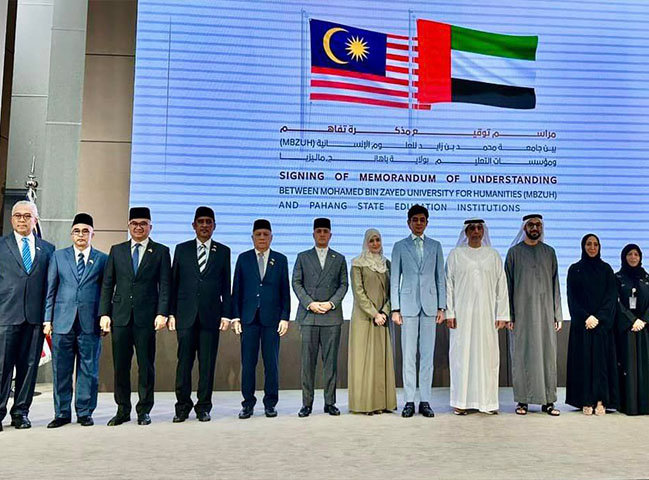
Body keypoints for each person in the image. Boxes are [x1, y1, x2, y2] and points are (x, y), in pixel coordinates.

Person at [99, 207, 171, 426]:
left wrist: (162, 312)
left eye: (143, 224)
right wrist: (104, 313)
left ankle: (144, 410)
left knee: (146, 365)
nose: (138, 227)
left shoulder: (160, 251)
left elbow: (165, 285)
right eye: (134, 224)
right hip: (120, 317)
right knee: (121, 366)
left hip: (146, 317)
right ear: (128, 226)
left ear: (150, 226)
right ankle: (122, 410)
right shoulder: (117, 250)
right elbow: (108, 284)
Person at [168, 206, 231, 423]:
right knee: (184, 363)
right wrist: (171, 313)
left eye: (208, 222)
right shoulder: (182, 249)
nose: (204, 225)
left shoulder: (223, 251)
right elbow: (174, 283)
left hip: (211, 316)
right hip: (185, 316)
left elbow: (226, 286)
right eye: (201, 222)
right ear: (193, 225)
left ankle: (203, 407)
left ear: (214, 226)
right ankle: (182, 407)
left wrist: (226, 314)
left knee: (207, 364)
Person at [44, 213, 107, 428]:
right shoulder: (58, 257)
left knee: (89, 369)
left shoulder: (102, 259)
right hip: (62, 322)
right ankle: (62, 413)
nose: (81, 235)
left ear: (92, 234)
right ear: (71, 234)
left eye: (85, 231)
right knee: (61, 370)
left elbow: (106, 292)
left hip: (90, 322)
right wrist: (47, 319)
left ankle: (84, 412)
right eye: (77, 231)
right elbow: (51, 290)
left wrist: (104, 317)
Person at [445, 219, 510, 415]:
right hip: (462, 317)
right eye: (471, 228)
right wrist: (450, 312)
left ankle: (487, 403)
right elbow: (448, 285)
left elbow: (502, 286)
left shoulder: (493, 255)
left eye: (479, 228)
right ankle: (461, 402)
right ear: (465, 232)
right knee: (461, 358)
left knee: (488, 358)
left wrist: (502, 314)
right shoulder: (455, 255)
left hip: (487, 316)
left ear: (483, 231)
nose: (475, 231)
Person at [0, 201, 54, 431]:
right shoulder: (1, 245)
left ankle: (21, 413)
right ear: (12, 219)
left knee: (29, 368)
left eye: (27, 216)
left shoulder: (48, 249)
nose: (22, 220)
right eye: (18, 216)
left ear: (35, 220)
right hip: (5, 316)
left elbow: (50, 286)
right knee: (2, 368)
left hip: (35, 318)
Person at [231, 219, 290, 419]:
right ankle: (247, 404)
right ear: (252, 237)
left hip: (272, 319)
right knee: (248, 364)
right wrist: (235, 317)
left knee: (271, 364)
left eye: (266, 234)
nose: (262, 238)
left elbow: (285, 291)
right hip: (248, 319)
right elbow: (237, 289)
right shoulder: (243, 258)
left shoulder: (280, 259)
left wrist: (285, 317)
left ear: (272, 237)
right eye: (258, 234)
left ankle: (270, 403)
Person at [390, 204, 445, 418]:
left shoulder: (436, 246)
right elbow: (395, 279)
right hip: (408, 306)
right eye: (415, 220)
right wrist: (395, 308)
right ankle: (409, 401)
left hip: (430, 306)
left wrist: (442, 306)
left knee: (427, 356)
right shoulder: (399, 246)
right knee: (409, 355)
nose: (419, 223)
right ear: (408, 223)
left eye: (422, 220)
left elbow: (440, 278)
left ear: (427, 222)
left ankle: (425, 400)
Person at [505, 214, 562, 416]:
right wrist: (509, 315)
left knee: (547, 356)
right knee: (523, 355)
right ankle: (523, 401)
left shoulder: (549, 252)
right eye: (531, 225)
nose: (535, 228)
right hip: (522, 314)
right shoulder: (514, 253)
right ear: (524, 228)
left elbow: (555, 285)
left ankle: (549, 401)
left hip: (546, 314)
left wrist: (557, 314)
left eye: (538, 225)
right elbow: (507, 287)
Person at [293, 218, 348, 417]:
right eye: (319, 231)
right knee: (308, 363)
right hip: (309, 316)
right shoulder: (302, 257)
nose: (322, 234)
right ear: (313, 234)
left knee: (330, 363)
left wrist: (331, 303)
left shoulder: (339, 258)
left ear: (330, 235)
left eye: (325, 231)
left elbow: (344, 285)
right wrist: (310, 303)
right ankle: (306, 404)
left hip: (331, 316)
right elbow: (296, 282)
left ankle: (330, 403)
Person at [565, 233, 618, 415]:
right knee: (583, 363)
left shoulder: (606, 269)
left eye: (595, 244)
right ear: (583, 246)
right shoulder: (575, 269)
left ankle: (601, 400)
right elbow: (572, 298)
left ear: (599, 247)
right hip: (583, 326)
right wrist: (586, 317)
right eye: (589, 244)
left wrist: (599, 318)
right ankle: (585, 400)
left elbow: (611, 297)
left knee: (601, 364)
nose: (592, 247)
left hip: (602, 327)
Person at [348, 228, 396, 414]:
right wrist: (374, 313)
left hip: (382, 319)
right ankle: (365, 404)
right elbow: (358, 292)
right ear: (366, 243)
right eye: (371, 240)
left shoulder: (387, 264)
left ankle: (382, 403)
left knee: (380, 361)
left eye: (378, 240)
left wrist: (384, 312)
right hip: (364, 318)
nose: (375, 244)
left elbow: (393, 292)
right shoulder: (357, 263)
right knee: (363, 361)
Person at [615, 244, 649, 415]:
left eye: (636, 254)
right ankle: (629, 405)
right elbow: (616, 302)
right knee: (628, 365)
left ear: (640, 257)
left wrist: (643, 320)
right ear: (624, 257)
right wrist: (631, 320)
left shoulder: (646, 278)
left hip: (645, 328)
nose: (633, 257)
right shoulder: (617, 278)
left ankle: (645, 405)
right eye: (629, 254)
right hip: (626, 329)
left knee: (645, 366)